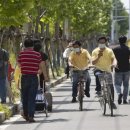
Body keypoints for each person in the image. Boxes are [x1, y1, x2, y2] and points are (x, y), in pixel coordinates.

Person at [18, 38, 49, 122]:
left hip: (24, 77)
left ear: (24, 45)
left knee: (24, 97)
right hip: (33, 77)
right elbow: (42, 65)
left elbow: (19, 65)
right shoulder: (37, 54)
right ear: (32, 46)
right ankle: (31, 116)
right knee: (32, 97)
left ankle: (26, 114)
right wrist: (45, 76)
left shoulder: (21, 54)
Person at [92, 36, 117, 109]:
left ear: (106, 42)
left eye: (103, 42)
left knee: (111, 86)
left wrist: (114, 64)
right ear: (98, 43)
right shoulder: (95, 51)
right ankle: (98, 90)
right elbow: (93, 62)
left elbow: (114, 59)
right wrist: (98, 56)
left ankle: (111, 102)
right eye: (100, 42)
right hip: (98, 69)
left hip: (107, 70)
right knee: (98, 75)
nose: (102, 44)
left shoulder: (109, 51)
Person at [113, 35, 130, 104]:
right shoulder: (128, 49)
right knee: (126, 85)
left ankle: (119, 93)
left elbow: (113, 58)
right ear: (125, 41)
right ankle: (124, 99)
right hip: (127, 69)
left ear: (118, 41)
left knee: (117, 84)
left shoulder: (115, 49)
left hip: (118, 69)